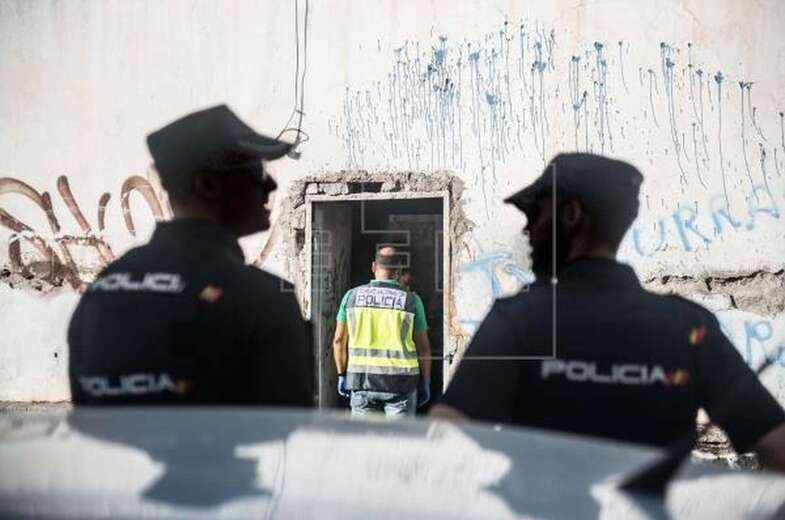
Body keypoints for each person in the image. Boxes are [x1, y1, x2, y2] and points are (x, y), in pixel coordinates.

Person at [432, 153, 785, 471]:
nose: (528, 228)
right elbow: (777, 446)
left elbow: (445, 440)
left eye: (537, 213)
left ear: (571, 214)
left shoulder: (517, 320)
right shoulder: (688, 325)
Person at [68, 105, 313, 407]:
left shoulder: (103, 289)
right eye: (256, 171)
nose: (271, 185)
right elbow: (286, 421)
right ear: (206, 185)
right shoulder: (263, 299)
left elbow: (87, 415)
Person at [333, 246, 432, 417]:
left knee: (365, 435)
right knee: (398, 436)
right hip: (401, 385)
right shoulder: (412, 301)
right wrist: (426, 380)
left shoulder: (351, 296)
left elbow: (338, 341)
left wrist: (342, 374)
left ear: (373, 267)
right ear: (398, 271)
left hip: (361, 383)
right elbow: (423, 348)